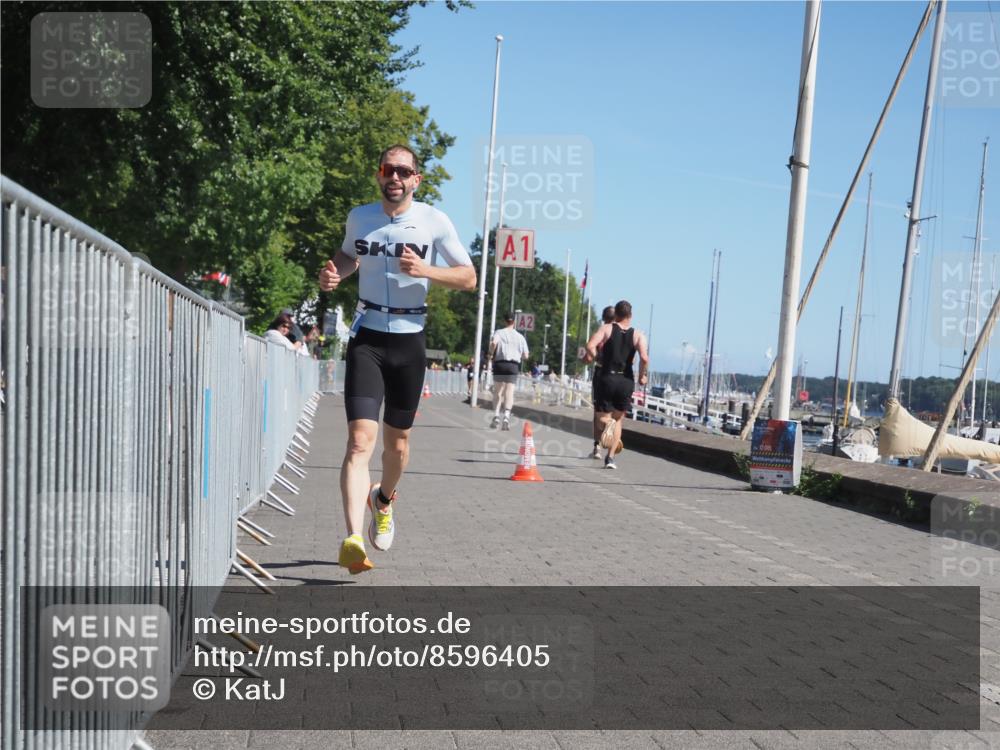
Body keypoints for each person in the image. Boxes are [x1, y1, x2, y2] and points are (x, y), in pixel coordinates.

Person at [318, 144, 476, 574]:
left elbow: (468, 276)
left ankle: (382, 500)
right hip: (367, 337)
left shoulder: (433, 221)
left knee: (398, 446)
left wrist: (427, 271)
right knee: (357, 442)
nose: (396, 178)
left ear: (416, 180)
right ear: (379, 173)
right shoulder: (360, 217)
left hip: (409, 342)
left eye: (404, 172)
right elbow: (349, 255)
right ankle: (352, 539)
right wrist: (334, 271)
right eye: (389, 169)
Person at [584, 300, 650, 470]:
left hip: (607, 377)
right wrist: (642, 376)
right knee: (619, 419)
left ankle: (608, 426)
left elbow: (590, 345)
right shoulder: (638, 335)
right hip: (626, 380)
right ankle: (611, 458)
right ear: (631, 315)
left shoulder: (607, 328)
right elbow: (644, 358)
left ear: (617, 315)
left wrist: (598, 357)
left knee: (601, 418)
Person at [487, 312, 529, 430]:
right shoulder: (520, 337)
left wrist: (490, 354)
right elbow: (526, 355)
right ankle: (506, 417)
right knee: (509, 392)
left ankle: (496, 416)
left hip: (500, 364)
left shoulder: (499, 332)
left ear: (505, 321)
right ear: (514, 322)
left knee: (498, 391)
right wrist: (518, 354)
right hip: (513, 366)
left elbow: (493, 343)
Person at [587, 305, 616, 459]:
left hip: (601, 373)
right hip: (618, 376)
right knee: (613, 412)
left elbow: (590, 351)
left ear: (604, 318)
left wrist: (593, 357)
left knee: (597, 411)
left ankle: (597, 447)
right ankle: (610, 451)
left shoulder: (601, 331)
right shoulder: (622, 333)